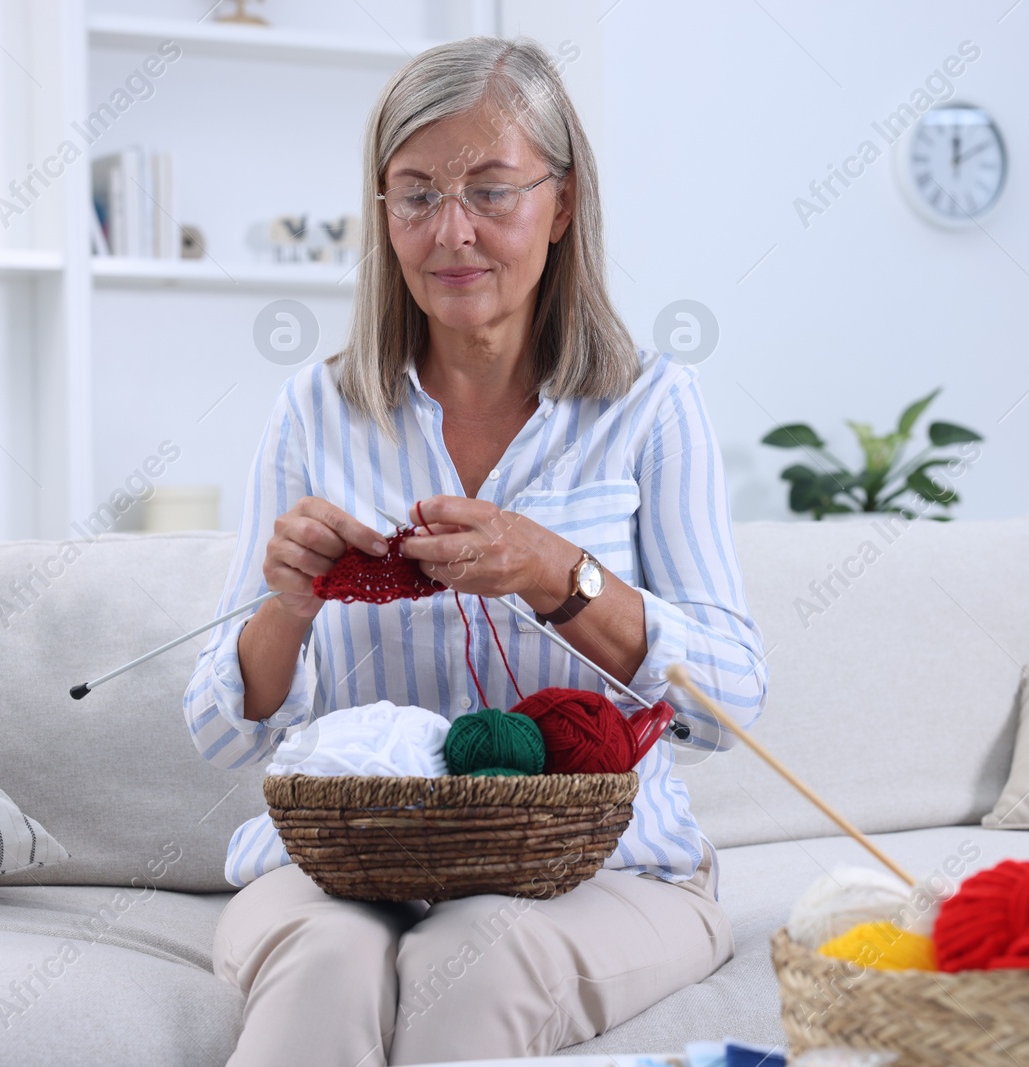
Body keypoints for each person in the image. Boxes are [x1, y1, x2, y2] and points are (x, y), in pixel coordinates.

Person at [182, 34, 768, 1067]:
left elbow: (732, 702)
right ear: (382, 213)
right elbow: (220, 732)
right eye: (414, 195)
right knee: (325, 968)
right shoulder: (314, 410)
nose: (450, 232)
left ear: (563, 203)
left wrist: (561, 574)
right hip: (343, 863)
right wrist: (288, 604)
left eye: (491, 191)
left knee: (477, 954)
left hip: (603, 869)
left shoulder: (649, 407)